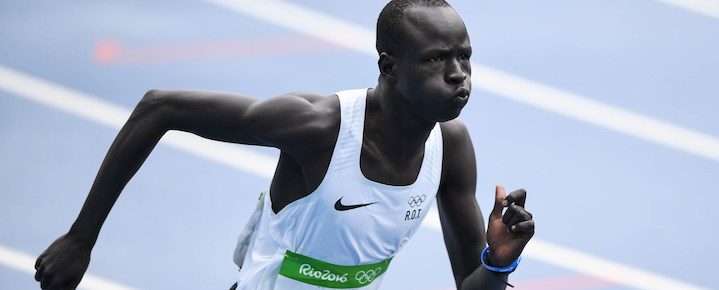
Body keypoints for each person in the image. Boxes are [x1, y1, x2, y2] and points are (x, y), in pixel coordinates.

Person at [34, 0, 535, 289]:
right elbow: (160, 107)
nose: (458, 76)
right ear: (389, 68)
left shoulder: (451, 148)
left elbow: (473, 282)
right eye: (436, 60)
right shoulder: (318, 129)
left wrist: (499, 259)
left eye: (465, 58)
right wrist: (81, 239)